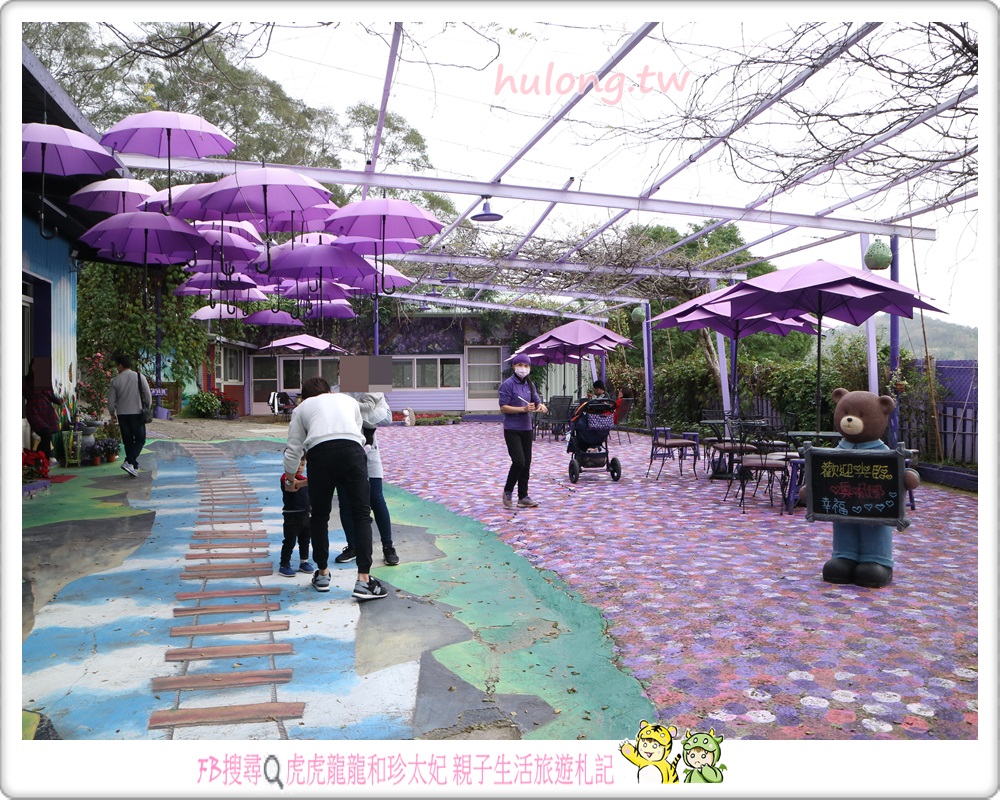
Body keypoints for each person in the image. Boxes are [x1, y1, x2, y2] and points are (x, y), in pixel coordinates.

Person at [283, 376, 386, 600]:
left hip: (320, 455)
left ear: (305, 397)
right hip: (352, 452)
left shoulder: (301, 409)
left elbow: (293, 450)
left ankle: (322, 574)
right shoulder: (347, 401)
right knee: (361, 515)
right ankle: (363, 580)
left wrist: (290, 480)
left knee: (319, 517)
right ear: (330, 392)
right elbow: (358, 433)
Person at [335, 390, 400, 567]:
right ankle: (353, 546)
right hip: (343, 452)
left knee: (376, 498)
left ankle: (388, 546)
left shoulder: (372, 388)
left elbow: (386, 418)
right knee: (345, 502)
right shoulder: (335, 390)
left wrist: (354, 411)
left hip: (370, 453)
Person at [498, 353, 547, 509]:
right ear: (514, 366)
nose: (523, 368)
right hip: (512, 428)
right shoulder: (508, 384)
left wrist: (541, 407)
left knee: (526, 463)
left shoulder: (530, 385)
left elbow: (537, 402)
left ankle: (523, 497)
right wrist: (523, 409)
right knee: (519, 461)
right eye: (520, 365)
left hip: (527, 428)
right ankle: (507, 491)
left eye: (526, 366)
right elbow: (503, 407)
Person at [107, 354, 151, 478]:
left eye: (117, 366)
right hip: (137, 413)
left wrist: (112, 414)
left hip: (122, 415)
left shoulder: (115, 380)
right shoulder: (139, 377)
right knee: (140, 439)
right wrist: (147, 408)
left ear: (121, 365)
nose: (117, 369)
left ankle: (133, 466)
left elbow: (111, 401)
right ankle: (129, 462)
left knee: (128, 441)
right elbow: (148, 395)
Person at [278, 456, 316, 577]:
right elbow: (293, 486)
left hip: (306, 515)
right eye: (296, 464)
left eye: (302, 464)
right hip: (292, 516)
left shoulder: (304, 479)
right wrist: (313, 479)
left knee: (305, 540)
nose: (300, 467)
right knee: (289, 541)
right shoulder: (286, 478)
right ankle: (284, 564)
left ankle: (304, 561)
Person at [23, 362, 62, 463]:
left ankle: (42, 461)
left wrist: (59, 401)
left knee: (47, 436)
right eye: (34, 365)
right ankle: (39, 460)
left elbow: (51, 395)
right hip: (33, 411)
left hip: (45, 411)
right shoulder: (25, 380)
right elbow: (27, 394)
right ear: (31, 367)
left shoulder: (45, 380)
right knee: (46, 433)